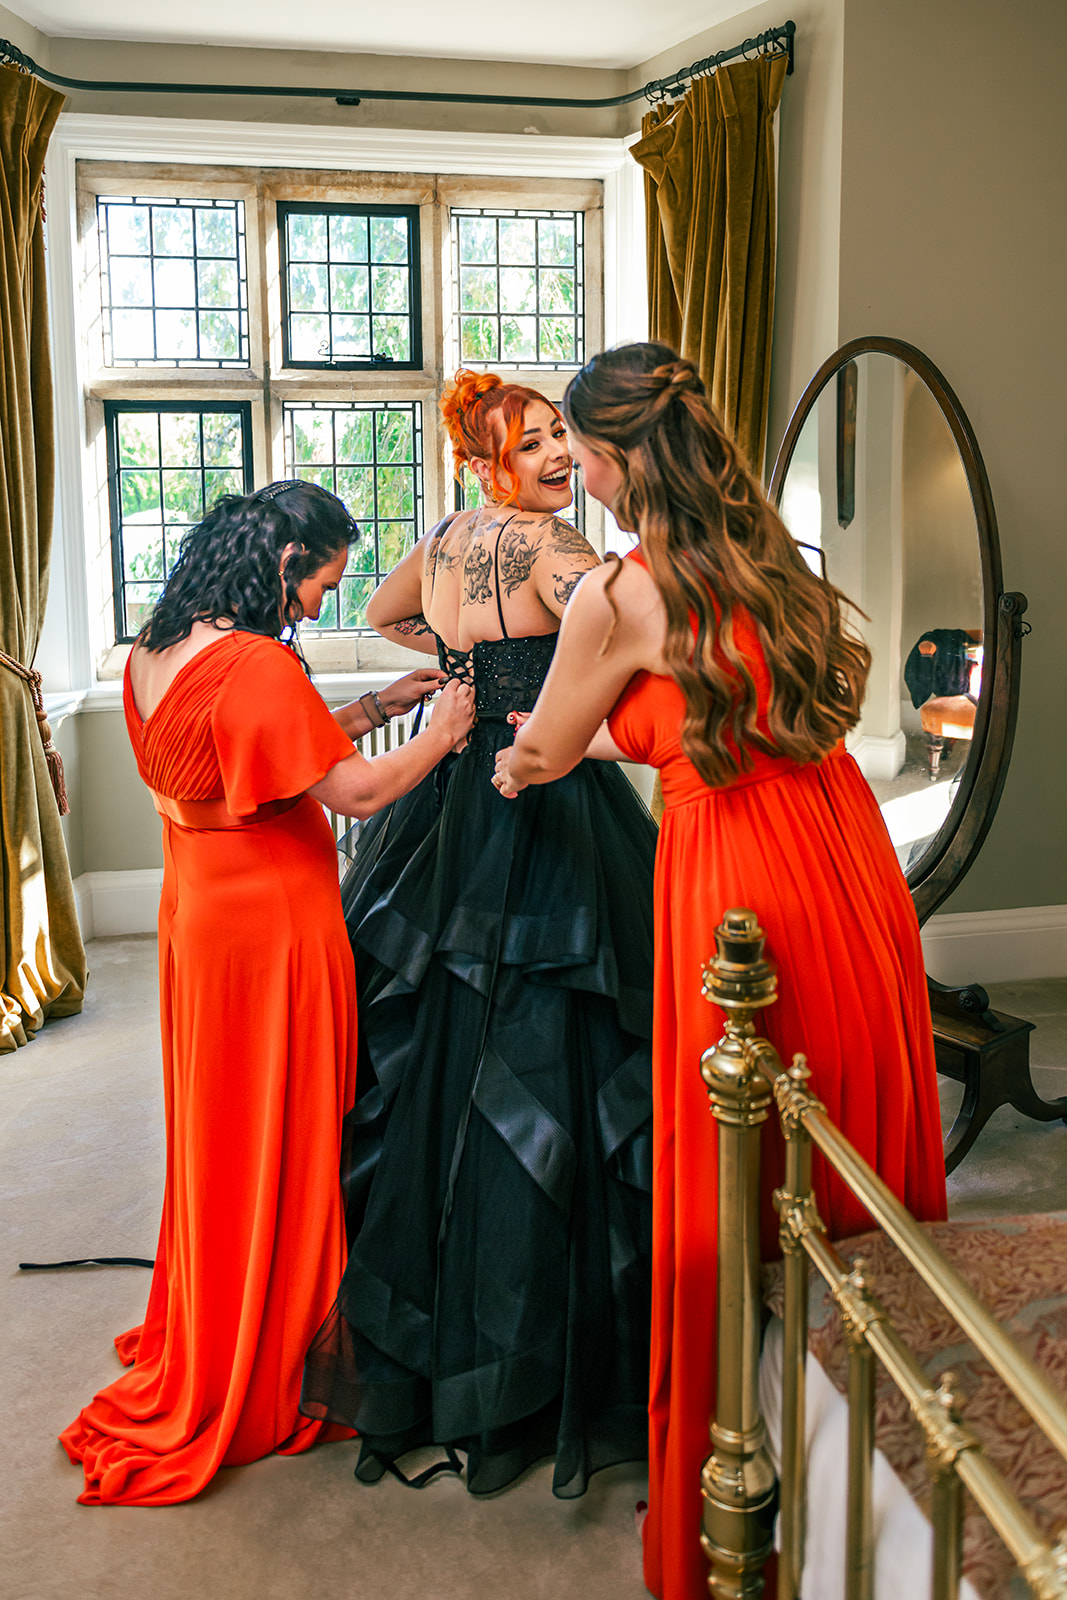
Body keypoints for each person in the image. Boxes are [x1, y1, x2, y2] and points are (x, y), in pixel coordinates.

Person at [493, 344, 949, 1600]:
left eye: (580, 450)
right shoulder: (774, 564)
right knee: (833, 1122)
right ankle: (870, 1432)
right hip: (845, 862)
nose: (571, 471)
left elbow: (551, 742)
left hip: (734, 875)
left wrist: (514, 767)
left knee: (731, 1156)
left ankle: (734, 1465)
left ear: (619, 453)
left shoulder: (620, 593)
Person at [60, 480, 474, 1506]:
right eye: (320, 586)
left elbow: (255, 761)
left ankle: (225, 1296)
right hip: (273, 930)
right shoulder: (253, 663)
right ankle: (279, 1340)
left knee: (225, 1131)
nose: (322, 608)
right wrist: (449, 726)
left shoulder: (160, 646)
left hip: (198, 915)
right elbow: (357, 792)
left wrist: (378, 705)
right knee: (289, 1131)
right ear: (283, 564)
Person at [300, 373, 659, 1499]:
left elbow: (381, 614)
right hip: (546, 800)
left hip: (448, 797)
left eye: (562, 438)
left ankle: (436, 1330)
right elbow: (641, 632)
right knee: (557, 1045)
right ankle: (535, 1350)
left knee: (442, 1055)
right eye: (535, 442)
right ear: (488, 459)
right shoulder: (559, 555)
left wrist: (455, 663)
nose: (558, 457)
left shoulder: (446, 536)